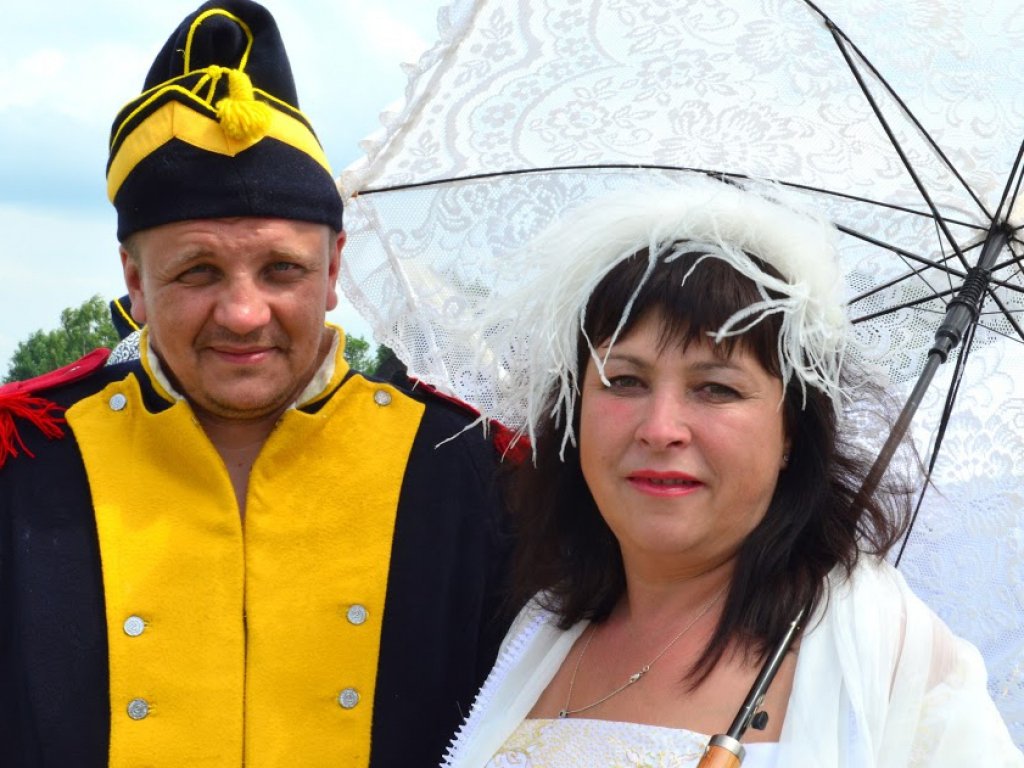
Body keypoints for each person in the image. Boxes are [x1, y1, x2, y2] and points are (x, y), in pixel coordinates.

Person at [0, 2, 511, 766]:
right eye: (198, 271)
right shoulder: (26, 460)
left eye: (282, 269)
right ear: (134, 280)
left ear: (333, 271)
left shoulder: (458, 464)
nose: (243, 314)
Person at [438, 178, 1024, 767]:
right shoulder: (540, 630)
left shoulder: (883, 647)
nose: (660, 428)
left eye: (716, 388)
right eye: (625, 380)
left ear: (791, 431)